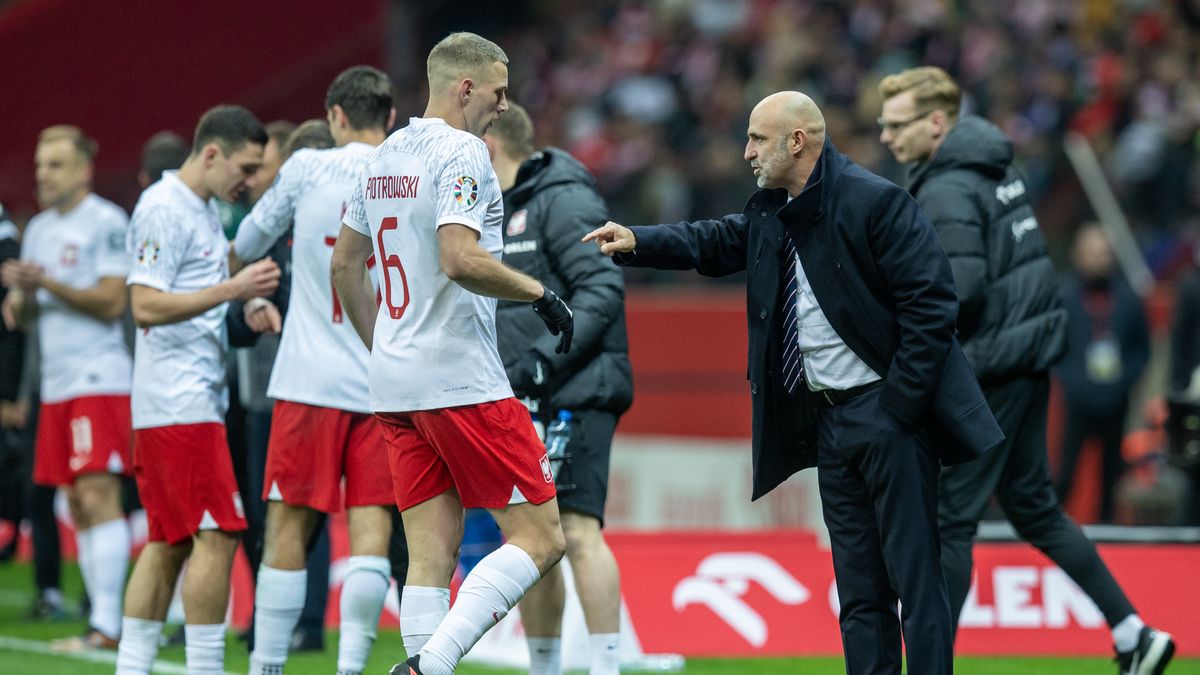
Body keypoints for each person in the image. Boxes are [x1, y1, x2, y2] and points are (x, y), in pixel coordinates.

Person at [584, 91, 1001, 675]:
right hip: (830, 423)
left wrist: (898, 409)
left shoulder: (877, 203)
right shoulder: (771, 213)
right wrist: (639, 239)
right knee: (858, 590)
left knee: (917, 580)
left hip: (890, 418)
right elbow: (713, 240)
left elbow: (932, 310)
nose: (746, 151)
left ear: (797, 141)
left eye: (757, 138)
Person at [878, 66, 1174, 674]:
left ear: (937, 122)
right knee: (1035, 508)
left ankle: (931, 665)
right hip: (1030, 359)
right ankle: (1133, 632)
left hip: (989, 368)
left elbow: (960, 291)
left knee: (949, 520)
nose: (886, 137)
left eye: (896, 125)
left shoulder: (947, 187)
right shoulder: (998, 168)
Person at [330, 31, 574, 675]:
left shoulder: (382, 155)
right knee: (543, 536)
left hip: (394, 384)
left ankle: (421, 661)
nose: (503, 104)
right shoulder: (463, 151)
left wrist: (381, 344)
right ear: (465, 87)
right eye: (497, 92)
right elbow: (460, 258)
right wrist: (541, 293)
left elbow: (345, 265)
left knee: (429, 561)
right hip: (459, 377)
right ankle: (427, 666)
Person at [230, 65, 399, 675]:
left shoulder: (304, 170)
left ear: (333, 117)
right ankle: (351, 668)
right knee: (371, 534)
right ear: (391, 120)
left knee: (285, 531)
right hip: (385, 383)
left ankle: (267, 666)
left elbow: (246, 242)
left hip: (308, 382)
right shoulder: (408, 173)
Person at [114, 105, 281, 675]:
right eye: (246, 166)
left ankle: (131, 666)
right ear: (211, 153)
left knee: (170, 541)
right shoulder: (163, 209)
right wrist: (234, 286)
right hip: (178, 402)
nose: (251, 181)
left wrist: (245, 300)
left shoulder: (203, 209)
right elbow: (146, 305)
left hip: (184, 401)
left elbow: (200, 288)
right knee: (218, 534)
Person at [484, 103, 632, 675]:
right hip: (526, 395)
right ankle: (543, 668)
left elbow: (601, 289)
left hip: (577, 390)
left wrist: (542, 364)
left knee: (576, 528)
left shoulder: (564, 198)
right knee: (534, 537)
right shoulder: (503, 207)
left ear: (491, 143)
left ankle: (606, 666)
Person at [0, 125, 134, 651]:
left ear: (83, 169)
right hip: (56, 385)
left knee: (98, 496)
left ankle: (107, 626)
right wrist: (20, 300)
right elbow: (32, 313)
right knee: (76, 505)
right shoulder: (36, 231)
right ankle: (102, 620)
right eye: (39, 165)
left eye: (55, 164)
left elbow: (111, 302)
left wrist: (45, 285)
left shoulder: (105, 221)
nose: (43, 174)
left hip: (98, 379)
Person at [1056, 224, 1151, 522]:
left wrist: (1124, 382)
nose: (1102, 259)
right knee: (1064, 473)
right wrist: (1073, 382)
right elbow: (1053, 347)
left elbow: (1142, 349)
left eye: (1106, 252)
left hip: (1116, 401)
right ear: (1079, 254)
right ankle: (1051, 533)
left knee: (1112, 476)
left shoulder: (1127, 299)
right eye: (1095, 252)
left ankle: (1108, 536)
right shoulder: (1064, 296)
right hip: (1076, 402)